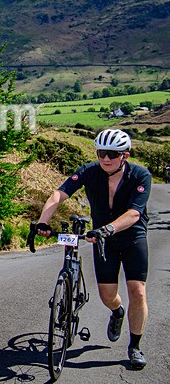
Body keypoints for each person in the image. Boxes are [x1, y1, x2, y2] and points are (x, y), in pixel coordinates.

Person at [36, 129, 151, 369]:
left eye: (112, 154)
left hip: (132, 238)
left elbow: (134, 213)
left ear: (125, 155)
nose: (105, 158)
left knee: (137, 292)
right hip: (103, 241)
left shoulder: (140, 176)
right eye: (101, 153)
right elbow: (60, 194)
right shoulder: (89, 172)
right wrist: (43, 222)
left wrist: (107, 229)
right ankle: (117, 312)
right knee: (108, 297)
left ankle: (135, 346)